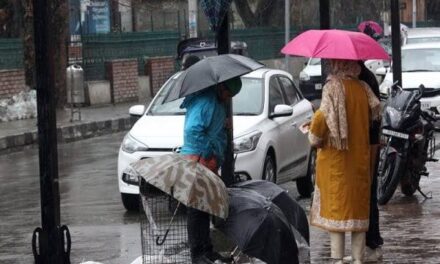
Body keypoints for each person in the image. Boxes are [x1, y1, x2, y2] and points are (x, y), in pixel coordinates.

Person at [307, 59, 381, 264]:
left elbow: (322, 119)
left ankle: (337, 259)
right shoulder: (364, 89)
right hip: (360, 160)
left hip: (336, 160)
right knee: (358, 211)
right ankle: (358, 258)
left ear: (338, 65)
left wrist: (312, 133)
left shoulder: (332, 89)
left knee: (336, 211)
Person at [180, 77, 242, 264]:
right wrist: (208, 150)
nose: (228, 98)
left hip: (208, 160)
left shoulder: (216, 102)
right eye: (228, 94)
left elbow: (210, 127)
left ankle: (206, 250)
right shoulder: (206, 101)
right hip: (200, 159)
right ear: (221, 87)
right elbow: (193, 130)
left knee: (205, 206)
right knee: (197, 208)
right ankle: (198, 254)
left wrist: (223, 126)